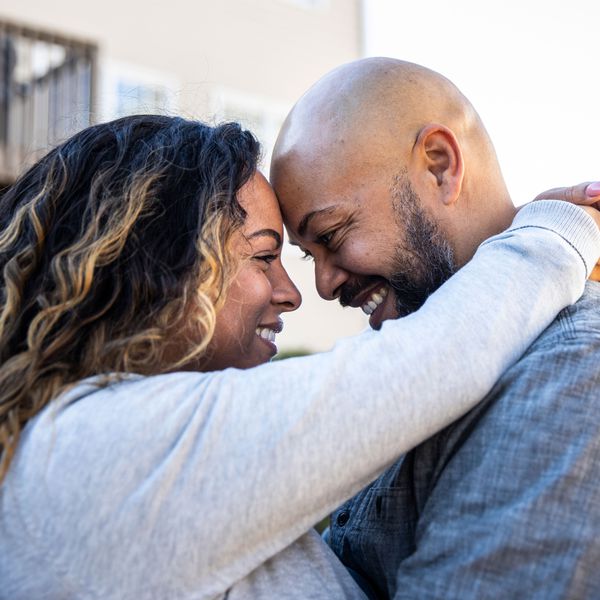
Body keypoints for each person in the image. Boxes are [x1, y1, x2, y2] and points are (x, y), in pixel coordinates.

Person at [0, 116, 597, 600]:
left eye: (327, 239)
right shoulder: (96, 458)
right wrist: (555, 231)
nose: (295, 292)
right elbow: (433, 361)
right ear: (154, 271)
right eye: (265, 257)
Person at [270, 57, 600, 599]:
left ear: (441, 165)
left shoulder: (569, 372)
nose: (324, 285)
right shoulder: (415, 365)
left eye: (331, 234)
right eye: (308, 257)